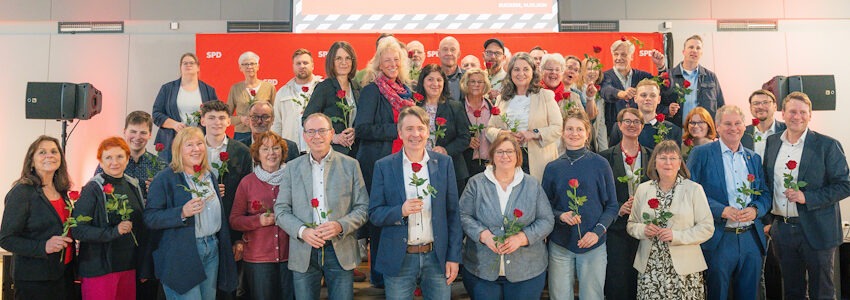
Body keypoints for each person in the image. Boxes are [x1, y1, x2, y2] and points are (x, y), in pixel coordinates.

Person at [369, 106, 463, 299]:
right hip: (399, 258)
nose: (415, 134)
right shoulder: (384, 166)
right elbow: (374, 214)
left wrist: (453, 257)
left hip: (436, 257)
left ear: (428, 132)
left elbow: (453, 214)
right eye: (409, 129)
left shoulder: (444, 163)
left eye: (420, 128)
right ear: (400, 133)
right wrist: (400, 211)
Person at [763, 92, 850, 299]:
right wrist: (768, 221)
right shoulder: (773, 142)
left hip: (818, 229)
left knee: (823, 291)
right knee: (792, 290)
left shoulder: (827, 145)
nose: (797, 116)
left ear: (810, 115)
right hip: (782, 231)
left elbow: (844, 185)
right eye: (792, 111)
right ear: (783, 113)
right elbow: (768, 182)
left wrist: (807, 197)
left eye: (803, 112)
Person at [275, 113, 370, 300]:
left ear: (331, 133)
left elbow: (363, 207)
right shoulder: (292, 168)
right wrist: (303, 231)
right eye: (310, 131)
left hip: (340, 248)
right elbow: (281, 210)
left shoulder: (350, 165)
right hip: (304, 250)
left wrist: (340, 225)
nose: (316, 136)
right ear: (304, 136)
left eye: (321, 131)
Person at [686, 105, 772, 300]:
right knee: (718, 293)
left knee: (750, 294)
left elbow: (765, 194)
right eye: (727, 124)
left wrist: (756, 210)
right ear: (717, 126)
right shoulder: (702, 153)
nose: (733, 128)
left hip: (751, 238)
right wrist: (721, 210)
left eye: (737, 123)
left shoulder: (753, 158)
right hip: (719, 236)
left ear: (744, 126)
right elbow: (690, 192)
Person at [145, 127, 238, 298]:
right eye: (189, 145)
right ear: (178, 149)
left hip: (211, 248)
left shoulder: (210, 176)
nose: (196, 149)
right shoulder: (165, 178)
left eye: (199, 144)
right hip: (181, 253)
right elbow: (150, 218)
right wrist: (181, 212)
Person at [459, 133, 554, 299]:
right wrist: (484, 235)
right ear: (492, 155)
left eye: (510, 152)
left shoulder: (532, 185)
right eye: (500, 152)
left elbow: (546, 220)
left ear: (517, 156)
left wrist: (522, 238)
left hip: (527, 272)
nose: (505, 156)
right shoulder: (476, 183)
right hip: (482, 270)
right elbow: (463, 215)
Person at [353, 36, 411, 289]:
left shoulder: (405, 91)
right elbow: (362, 128)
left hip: (404, 161)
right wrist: (398, 129)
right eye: (386, 60)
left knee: (401, 218)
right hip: (379, 164)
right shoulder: (372, 90)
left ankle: (399, 272)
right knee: (381, 220)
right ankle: (378, 275)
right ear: (378, 63)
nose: (392, 64)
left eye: (396, 60)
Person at [542, 108, 619, 300]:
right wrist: (560, 215)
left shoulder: (600, 164)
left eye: (579, 129)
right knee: (559, 296)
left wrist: (597, 232)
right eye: (569, 129)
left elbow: (612, 206)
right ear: (562, 132)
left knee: (592, 296)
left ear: (587, 134)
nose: (574, 134)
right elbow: (544, 207)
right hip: (560, 244)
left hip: (593, 243)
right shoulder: (552, 168)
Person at [627, 140, 714, 299]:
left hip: (685, 271)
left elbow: (707, 227)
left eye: (673, 158)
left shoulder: (694, 189)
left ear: (680, 163)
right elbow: (632, 225)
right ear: (654, 163)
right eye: (663, 158)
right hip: (650, 269)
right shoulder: (643, 189)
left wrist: (676, 236)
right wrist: (643, 230)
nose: (668, 163)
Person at [73, 137, 149, 300]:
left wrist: (143, 264)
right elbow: (78, 230)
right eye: (108, 157)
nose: (115, 162)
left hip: (128, 266)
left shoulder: (134, 185)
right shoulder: (92, 188)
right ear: (100, 161)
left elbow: (141, 228)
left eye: (120, 156)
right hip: (99, 268)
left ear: (128, 159)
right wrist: (113, 232)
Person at [0, 136, 76, 299]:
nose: (49, 155)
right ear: (32, 161)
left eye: (54, 151)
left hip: (64, 273)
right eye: (42, 152)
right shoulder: (22, 192)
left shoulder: (61, 191)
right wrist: (43, 246)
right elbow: (6, 239)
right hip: (35, 280)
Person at [229, 131, 293, 300]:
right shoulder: (247, 183)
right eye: (265, 149)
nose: (271, 153)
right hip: (259, 259)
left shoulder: (293, 179)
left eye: (276, 148)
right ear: (257, 154)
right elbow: (235, 220)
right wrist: (258, 221)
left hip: (291, 256)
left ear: (283, 152)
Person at [599, 108, 652, 300]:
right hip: (617, 229)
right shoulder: (604, 157)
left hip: (644, 228)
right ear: (619, 125)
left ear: (642, 126)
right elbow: (600, 193)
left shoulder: (651, 156)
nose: (632, 125)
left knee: (641, 278)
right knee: (617, 280)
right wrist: (619, 207)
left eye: (636, 121)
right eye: (627, 121)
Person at [485, 52, 563, 181]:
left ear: (533, 72)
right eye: (516, 69)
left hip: (539, 161)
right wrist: (505, 134)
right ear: (510, 73)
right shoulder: (502, 98)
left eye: (526, 69)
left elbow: (557, 128)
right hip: (509, 159)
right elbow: (489, 130)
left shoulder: (545, 96)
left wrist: (534, 133)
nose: (521, 73)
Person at [414, 64, 472, 192]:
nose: (435, 83)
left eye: (439, 80)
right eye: (430, 79)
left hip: (451, 168)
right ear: (422, 82)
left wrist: (446, 150)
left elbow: (465, 137)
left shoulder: (455, 107)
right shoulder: (413, 107)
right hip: (419, 167)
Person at [152, 53, 218, 162]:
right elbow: (156, 114)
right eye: (185, 63)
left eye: (191, 63)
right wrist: (174, 124)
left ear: (198, 67)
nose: (188, 65)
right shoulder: (167, 88)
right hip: (171, 142)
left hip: (198, 142)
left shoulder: (208, 90)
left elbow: (215, 115)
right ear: (180, 67)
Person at [303, 41, 361, 156]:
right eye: (338, 58)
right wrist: (333, 137)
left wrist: (356, 132)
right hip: (332, 152)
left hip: (356, 153)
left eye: (348, 58)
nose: (343, 62)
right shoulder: (324, 88)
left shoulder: (358, 88)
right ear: (331, 62)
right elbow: (306, 119)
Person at [600, 39, 667, 135]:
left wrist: (661, 67)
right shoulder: (605, 76)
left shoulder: (641, 76)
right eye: (616, 54)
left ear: (631, 56)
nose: (619, 58)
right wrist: (622, 94)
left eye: (623, 54)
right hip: (614, 133)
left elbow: (662, 86)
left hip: (640, 131)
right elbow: (606, 90)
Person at [95, 111, 167, 198]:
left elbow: (171, 198)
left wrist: (161, 191)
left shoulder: (161, 166)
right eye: (133, 131)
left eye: (143, 133)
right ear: (124, 132)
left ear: (150, 135)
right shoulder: (109, 162)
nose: (137, 137)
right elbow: (96, 192)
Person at [661, 35, 725, 127]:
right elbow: (657, 105)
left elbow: (721, 108)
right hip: (676, 134)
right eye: (691, 47)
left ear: (701, 53)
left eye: (698, 48)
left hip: (704, 134)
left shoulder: (711, 77)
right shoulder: (668, 76)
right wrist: (668, 110)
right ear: (684, 51)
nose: (694, 50)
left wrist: (718, 133)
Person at [272, 48, 323, 152]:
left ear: (312, 65)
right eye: (298, 63)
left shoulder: (323, 88)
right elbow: (276, 124)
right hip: (290, 151)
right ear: (293, 66)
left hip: (317, 149)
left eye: (305, 63)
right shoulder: (282, 92)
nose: (302, 66)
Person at [609, 79, 682, 150]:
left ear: (659, 99)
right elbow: (613, 157)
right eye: (643, 95)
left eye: (652, 95)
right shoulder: (621, 127)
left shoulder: (673, 131)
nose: (648, 99)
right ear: (635, 98)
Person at [227, 51, 276, 144]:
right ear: (240, 68)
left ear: (258, 66)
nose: (249, 67)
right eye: (245, 64)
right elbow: (226, 117)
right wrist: (240, 119)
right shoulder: (235, 88)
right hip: (241, 134)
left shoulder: (269, 87)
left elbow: (276, 113)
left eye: (252, 63)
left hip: (263, 132)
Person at [460, 68, 494, 177]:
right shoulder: (458, 107)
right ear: (466, 84)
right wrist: (466, 141)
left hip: (490, 164)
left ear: (485, 85)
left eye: (480, 82)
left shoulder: (491, 106)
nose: (476, 85)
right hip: (466, 164)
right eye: (472, 82)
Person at [742, 89, 785, 157]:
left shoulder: (787, 130)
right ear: (750, 108)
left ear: (775, 106)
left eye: (765, 102)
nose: (760, 107)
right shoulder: (743, 133)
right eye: (756, 103)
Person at [438, 36, 465, 101]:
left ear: (459, 54)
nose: (449, 53)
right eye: (445, 49)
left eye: (453, 50)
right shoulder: (431, 79)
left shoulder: (467, 77)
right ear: (439, 53)